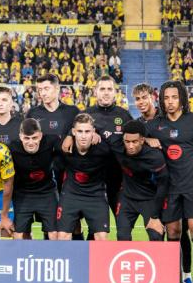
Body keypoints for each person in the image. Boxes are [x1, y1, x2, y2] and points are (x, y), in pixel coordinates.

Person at [144, 80, 193, 283]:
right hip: (169, 189)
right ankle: (176, 282)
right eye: (166, 98)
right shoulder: (155, 125)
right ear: (161, 100)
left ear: (182, 99)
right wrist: (147, 140)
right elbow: (134, 137)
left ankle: (189, 277)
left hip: (192, 186)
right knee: (173, 232)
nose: (170, 101)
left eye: (174, 97)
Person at [26, 73, 81, 240]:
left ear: (57, 89)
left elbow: (84, 131)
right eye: (40, 89)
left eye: (47, 88)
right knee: (48, 223)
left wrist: (71, 133)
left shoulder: (72, 111)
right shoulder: (33, 113)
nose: (43, 93)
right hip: (44, 175)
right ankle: (49, 258)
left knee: (74, 222)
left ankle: (76, 258)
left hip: (69, 173)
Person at [83, 76, 133, 218]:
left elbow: (135, 142)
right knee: (95, 229)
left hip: (118, 181)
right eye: (102, 89)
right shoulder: (85, 115)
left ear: (115, 92)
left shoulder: (124, 115)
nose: (106, 92)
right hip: (92, 181)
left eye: (109, 89)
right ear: (95, 92)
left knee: (123, 225)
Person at [56, 113, 111, 241]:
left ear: (93, 132)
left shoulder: (104, 149)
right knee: (62, 236)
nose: (83, 135)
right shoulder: (64, 147)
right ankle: (69, 261)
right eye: (80, 131)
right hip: (71, 194)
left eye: (87, 131)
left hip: (95, 195)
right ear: (74, 132)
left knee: (102, 238)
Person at [113, 120, 167, 241]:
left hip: (149, 199)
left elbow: (163, 185)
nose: (130, 146)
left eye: (134, 142)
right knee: (122, 236)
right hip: (127, 198)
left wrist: (154, 216)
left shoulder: (154, 157)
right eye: (127, 142)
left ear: (142, 140)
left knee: (156, 236)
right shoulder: (117, 148)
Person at [9, 118, 62, 240]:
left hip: (47, 193)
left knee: (54, 233)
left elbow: (70, 145)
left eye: (34, 138)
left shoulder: (52, 141)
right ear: (21, 136)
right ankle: (22, 258)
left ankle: (53, 258)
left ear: (41, 136)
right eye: (26, 138)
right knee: (18, 234)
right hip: (23, 194)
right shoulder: (12, 148)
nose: (31, 142)